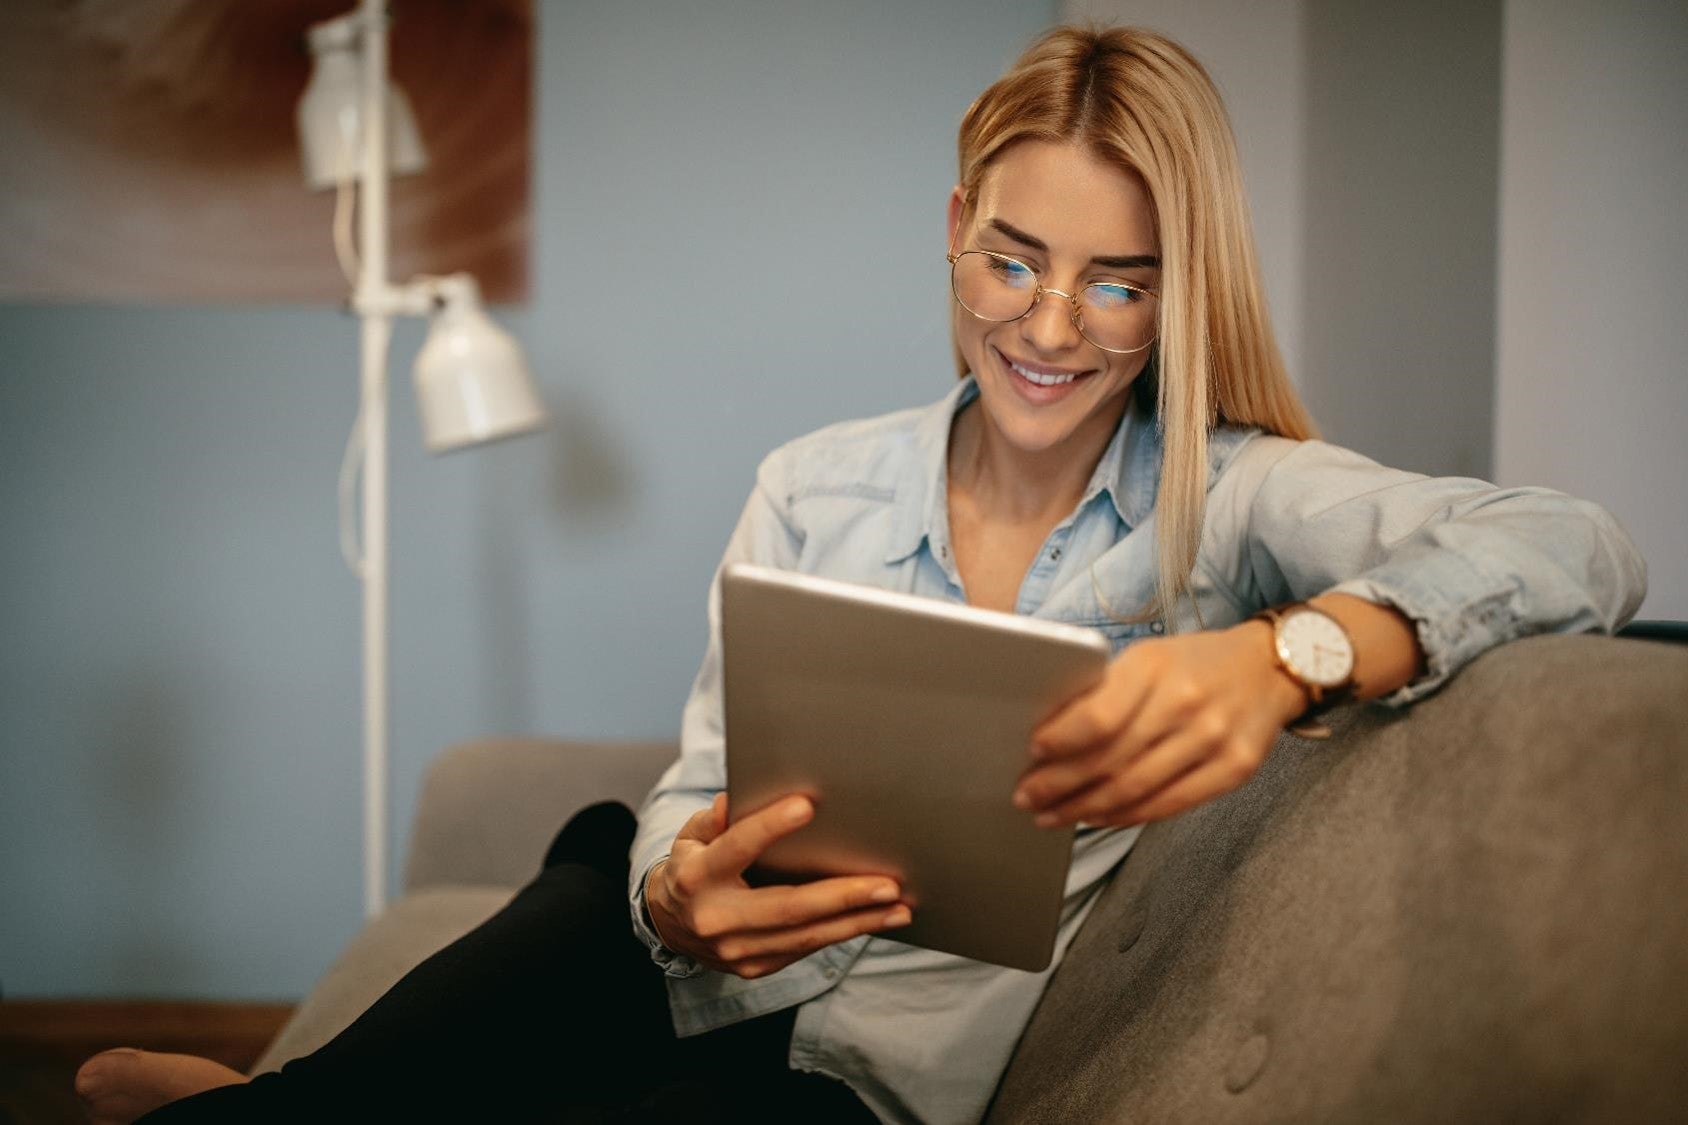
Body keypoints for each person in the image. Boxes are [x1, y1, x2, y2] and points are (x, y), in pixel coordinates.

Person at [76, 24, 1645, 1125]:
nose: (1048, 325)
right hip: (700, 980)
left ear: (1178, 297)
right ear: (957, 231)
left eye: (1118, 283)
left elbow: (1580, 544)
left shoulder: (1228, 503)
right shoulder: (815, 481)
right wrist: (680, 893)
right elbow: (700, 789)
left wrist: (1293, 651)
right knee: (601, 869)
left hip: (866, 1081)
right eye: (1016, 259)